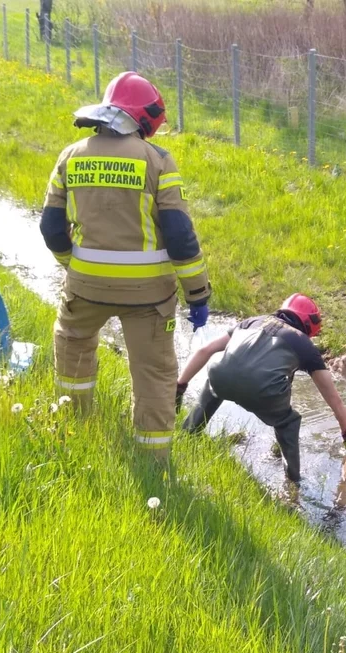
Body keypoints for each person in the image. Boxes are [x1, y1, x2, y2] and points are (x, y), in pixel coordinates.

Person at [40, 71, 211, 461]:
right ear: (144, 119)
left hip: (85, 289)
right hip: (148, 296)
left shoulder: (71, 156)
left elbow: (51, 228)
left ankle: (75, 433)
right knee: (153, 375)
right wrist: (197, 294)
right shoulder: (158, 161)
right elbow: (180, 236)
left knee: (74, 353)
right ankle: (154, 465)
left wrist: (73, 265)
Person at [177, 294, 346, 481]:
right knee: (288, 422)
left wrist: (180, 385)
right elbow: (333, 398)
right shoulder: (304, 344)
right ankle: (293, 480)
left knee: (214, 384)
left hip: (220, 377)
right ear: (309, 324)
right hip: (263, 391)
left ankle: (188, 433)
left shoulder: (252, 321)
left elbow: (205, 350)